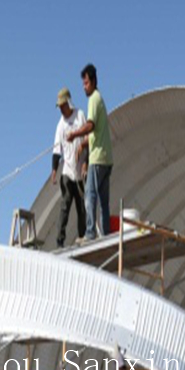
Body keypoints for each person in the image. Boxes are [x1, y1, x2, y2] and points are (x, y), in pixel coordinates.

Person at [66, 63, 113, 240]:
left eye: (86, 83)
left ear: (93, 81)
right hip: (107, 159)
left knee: (90, 195)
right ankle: (107, 234)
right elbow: (96, 132)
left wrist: (74, 134)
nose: (84, 87)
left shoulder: (93, 98)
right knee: (104, 201)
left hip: (98, 158)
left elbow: (90, 125)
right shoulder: (100, 99)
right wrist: (83, 144)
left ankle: (90, 232)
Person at [51, 87, 88, 247]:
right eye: (59, 107)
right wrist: (54, 170)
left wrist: (85, 159)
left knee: (81, 206)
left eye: (63, 106)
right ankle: (60, 240)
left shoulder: (80, 115)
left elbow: (88, 138)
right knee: (65, 204)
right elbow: (56, 150)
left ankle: (82, 236)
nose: (61, 109)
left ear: (68, 103)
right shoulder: (60, 125)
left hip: (80, 170)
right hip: (67, 170)